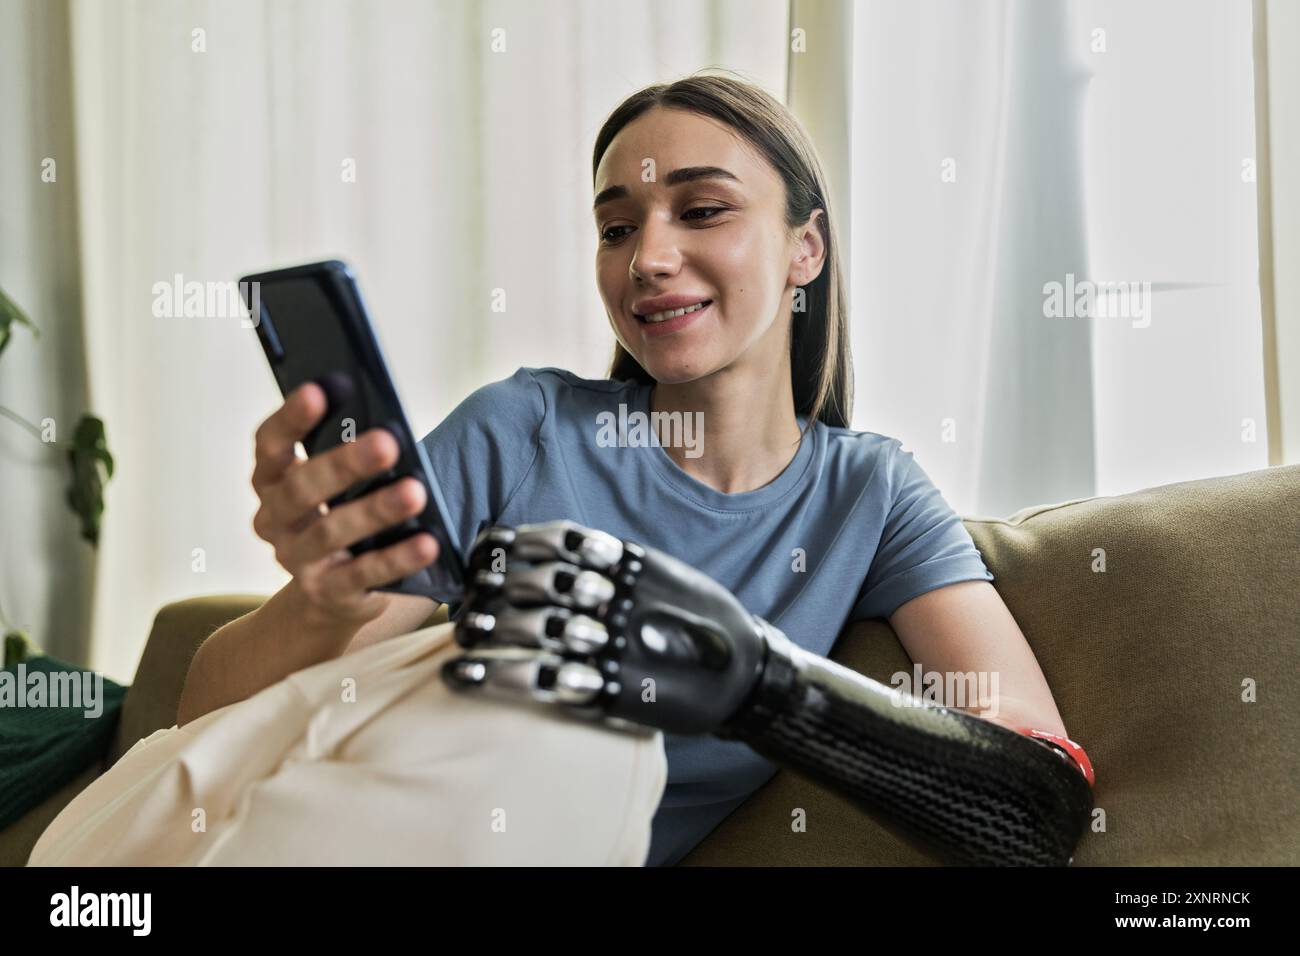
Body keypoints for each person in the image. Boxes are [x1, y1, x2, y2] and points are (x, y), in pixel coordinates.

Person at [174, 71, 1091, 867]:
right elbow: (202, 725)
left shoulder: (871, 497)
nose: (647, 260)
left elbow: (1035, 795)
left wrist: (760, 685)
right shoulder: (522, 430)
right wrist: (317, 608)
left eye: (703, 210)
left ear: (803, 250)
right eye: (616, 229)